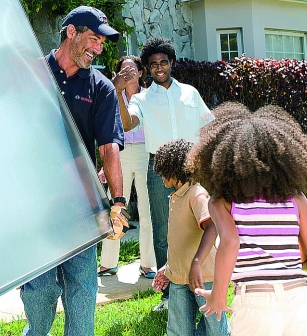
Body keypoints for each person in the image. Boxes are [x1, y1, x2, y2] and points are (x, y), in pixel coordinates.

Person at [20, 5, 127, 336]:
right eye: (93, 39)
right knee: (38, 293)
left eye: (101, 44)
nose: (97, 49)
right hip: (34, 202)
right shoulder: (32, 73)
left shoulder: (101, 87)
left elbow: (109, 147)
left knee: (82, 292)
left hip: (81, 203)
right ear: (71, 33)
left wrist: (118, 202)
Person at [190, 103, 307, 336]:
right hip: (301, 299)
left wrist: (218, 295)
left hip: (256, 302)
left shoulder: (222, 202)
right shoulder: (296, 199)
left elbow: (231, 243)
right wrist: (286, 265)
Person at [113, 36, 215, 309]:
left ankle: (204, 283)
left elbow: (209, 126)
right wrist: (119, 92)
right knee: (162, 231)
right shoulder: (143, 99)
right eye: (153, 64)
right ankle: (169, 294)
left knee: (199, 227)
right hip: (159, 169)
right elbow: (126, 123)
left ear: (171, 63)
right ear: (146, 68)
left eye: (164, 62)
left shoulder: (190, 93)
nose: (159, 68)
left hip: (193, 168)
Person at [150, 139, 230, 336]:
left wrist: (196, 262)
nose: (160, 176)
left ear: (174, 168)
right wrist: (167, 268)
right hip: (178, 277)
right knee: (178, 331)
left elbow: (212, 227)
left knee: (215, 330)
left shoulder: (196, 193)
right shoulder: (176, 196)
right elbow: (180, 240)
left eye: (162, 171)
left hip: (205, 276)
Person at [98, 55, 156, 279]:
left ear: (141, 73)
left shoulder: (150, 96)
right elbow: (104, 121)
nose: (128, 73)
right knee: (115, 208)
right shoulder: (111, 93)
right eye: (124, 69)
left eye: (133, 69)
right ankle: (109, 263)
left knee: (147, 209)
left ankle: (148, 264)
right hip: (119, 152)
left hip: (144, 151)